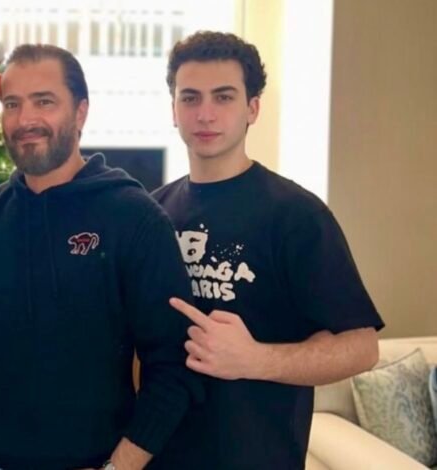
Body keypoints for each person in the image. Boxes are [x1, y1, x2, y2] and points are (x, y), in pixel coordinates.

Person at [0, 44, 203, 470]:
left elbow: (174, 365)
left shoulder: (133, 217)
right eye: (13, 104)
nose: (25, 120)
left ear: (81, 112)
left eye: (44, 102)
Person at [150, 31, 384, 469]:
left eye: (223, 97)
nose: (205, 113)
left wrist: (255, 359)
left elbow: (361, 347)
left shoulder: (296, 214)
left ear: (252, 108)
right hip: (158, 456)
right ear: (173, 109)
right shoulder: (153, 212)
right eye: (190, 98)